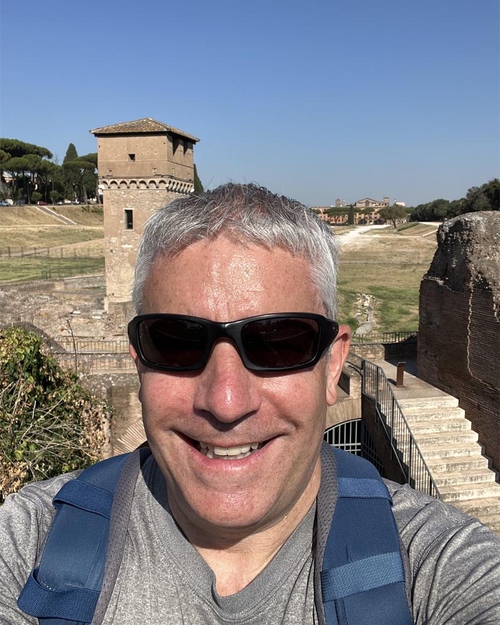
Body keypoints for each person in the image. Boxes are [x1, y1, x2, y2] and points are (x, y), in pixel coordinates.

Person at [1, 183, 499, 625]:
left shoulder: (441, 566)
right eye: (176, 340)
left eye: (277, 342)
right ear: (139, 363)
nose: (226, 402)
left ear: (332, 367)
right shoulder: (29, 545)